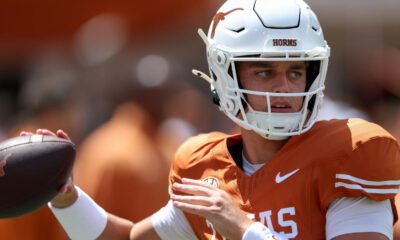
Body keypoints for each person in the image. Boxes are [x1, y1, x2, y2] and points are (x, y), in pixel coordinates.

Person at [22, 0, 400, 239]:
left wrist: (244, 230)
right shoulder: (206, 167)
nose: (285, 87)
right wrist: (67, 198)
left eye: (297, 72)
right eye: (265, 72)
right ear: (226, 76)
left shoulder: (350, 151)